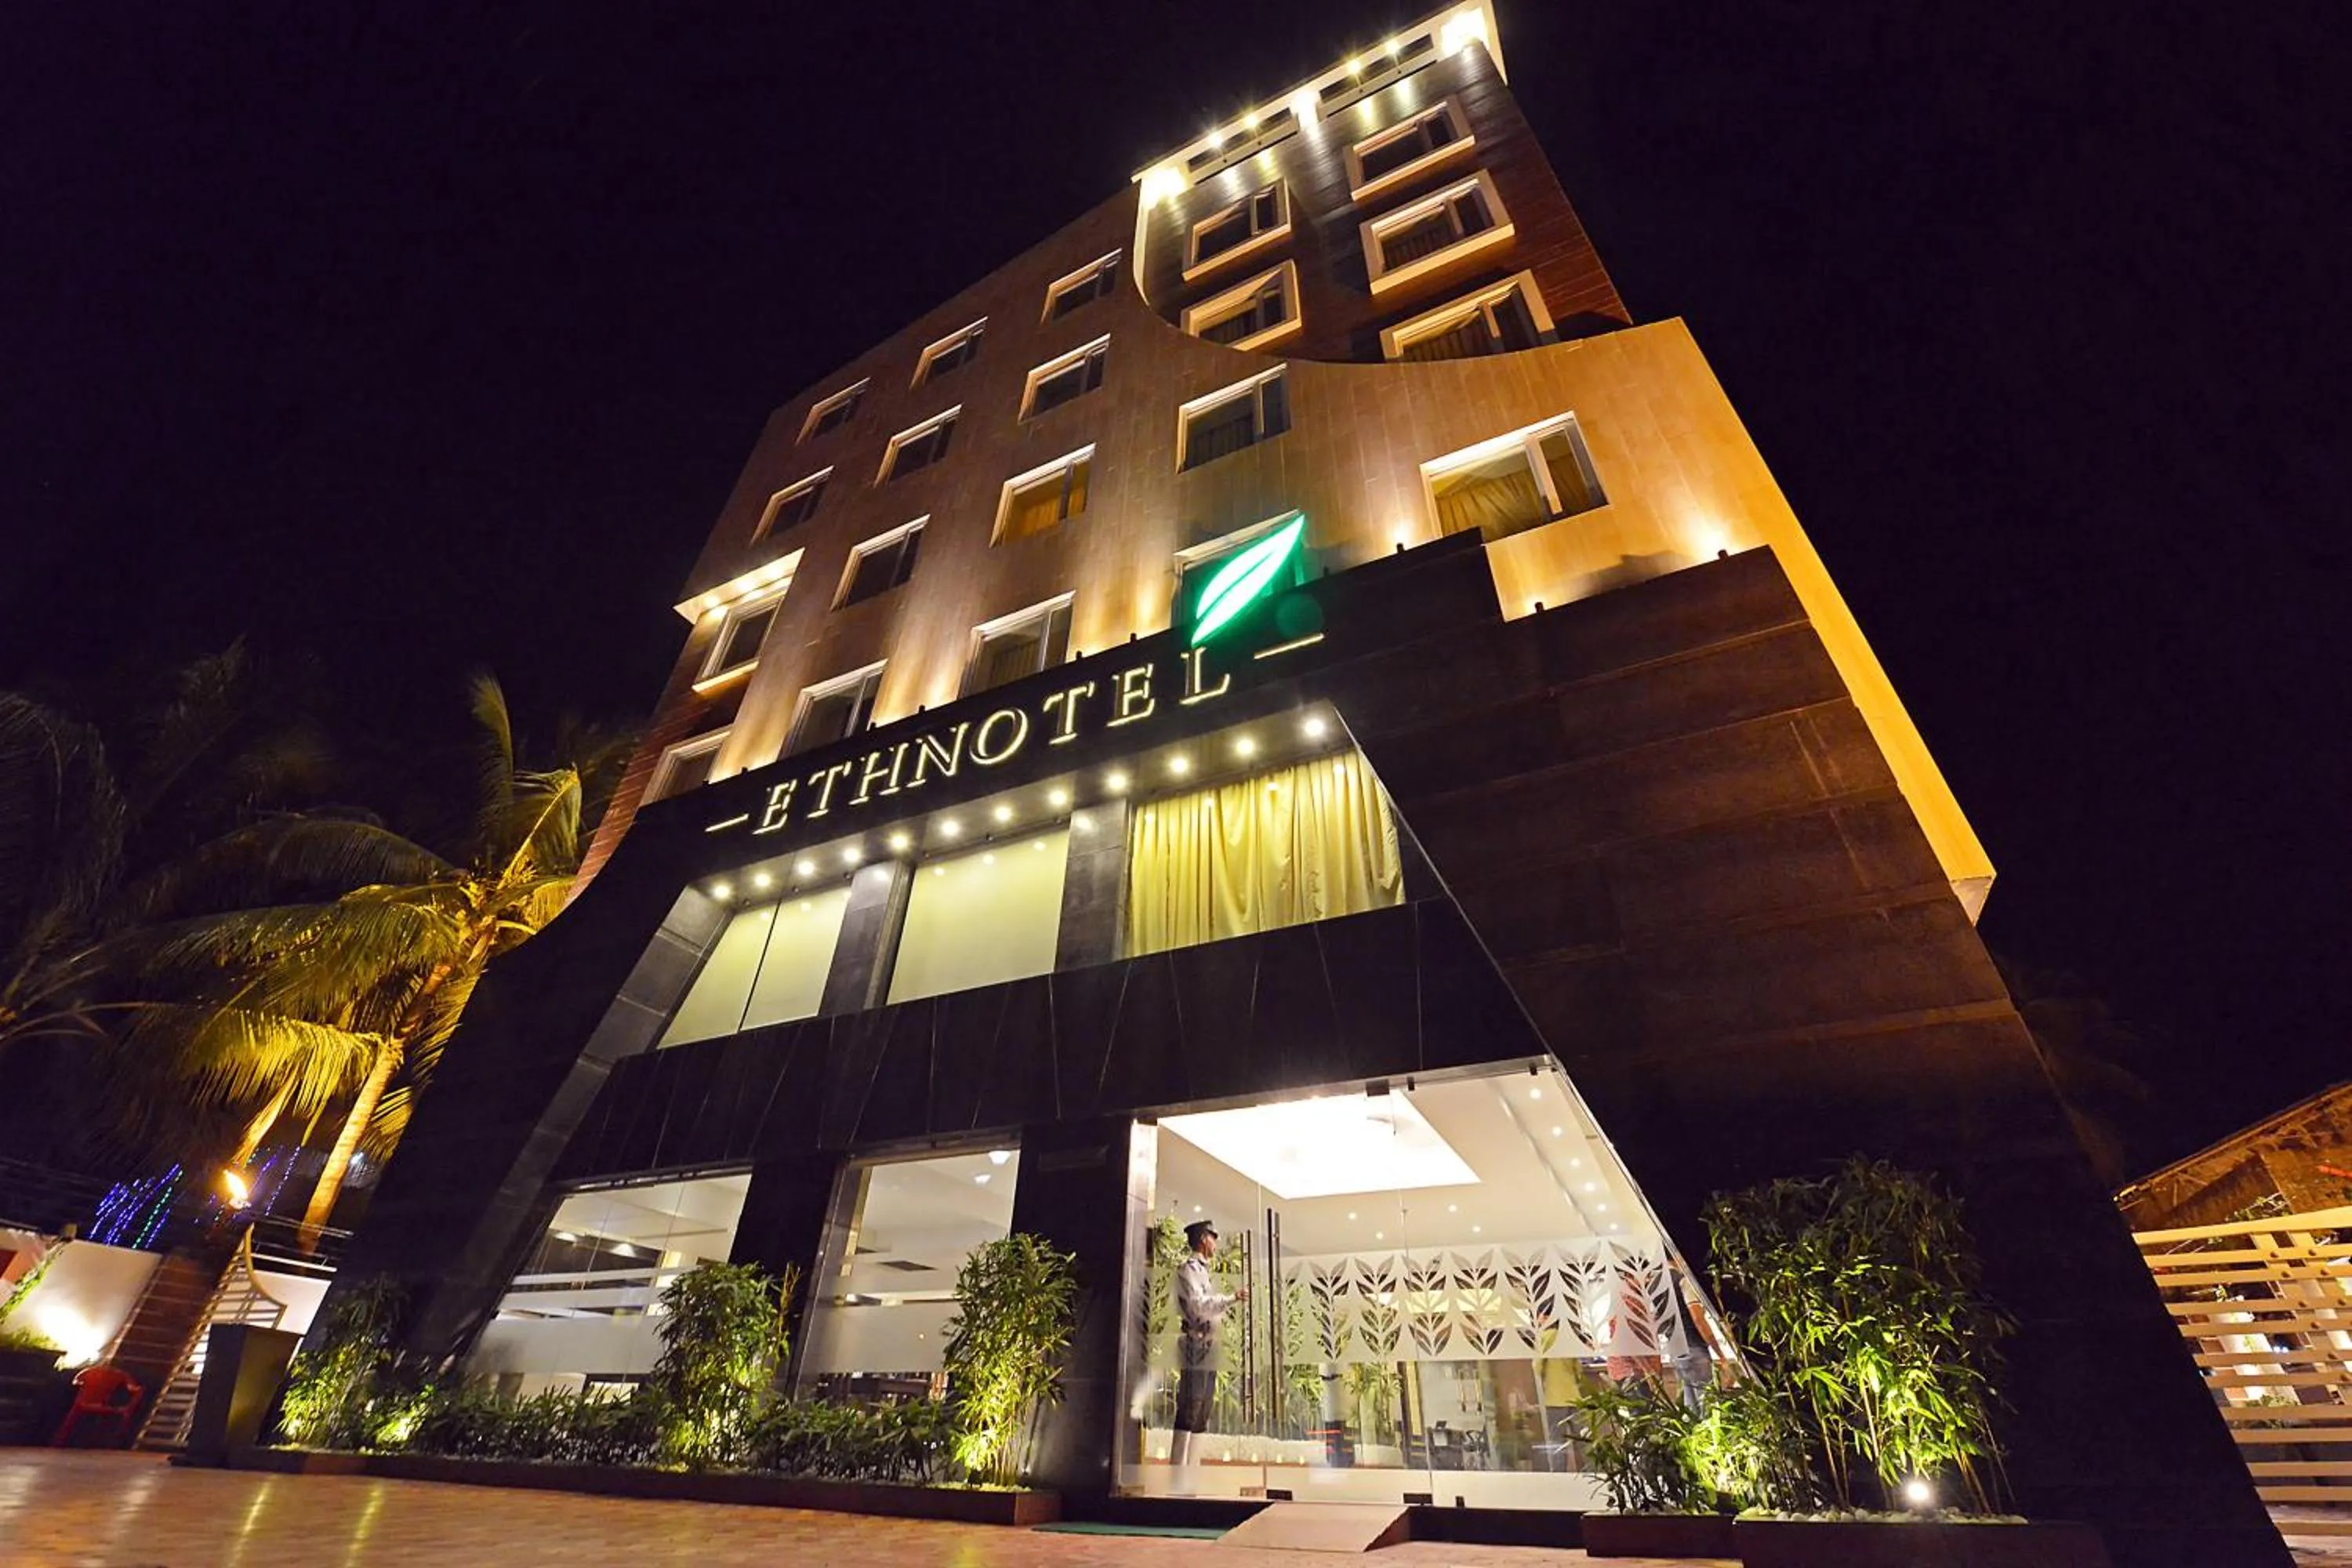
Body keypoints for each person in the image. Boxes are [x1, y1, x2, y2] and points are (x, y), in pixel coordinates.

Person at [1171, 1218, 1242, 1494]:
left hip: (1208, 1345)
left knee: (1203, 1411)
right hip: (1195, 1344)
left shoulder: (1204, 1271)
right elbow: (1199, 1306)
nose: (1215, 1242)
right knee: (1190, 1405)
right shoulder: (1189, 1270)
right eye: (1213, 1236)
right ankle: (1178, 1481)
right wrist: (1231, 1299)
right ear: (1203, 1239)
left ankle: (1191, 1481)